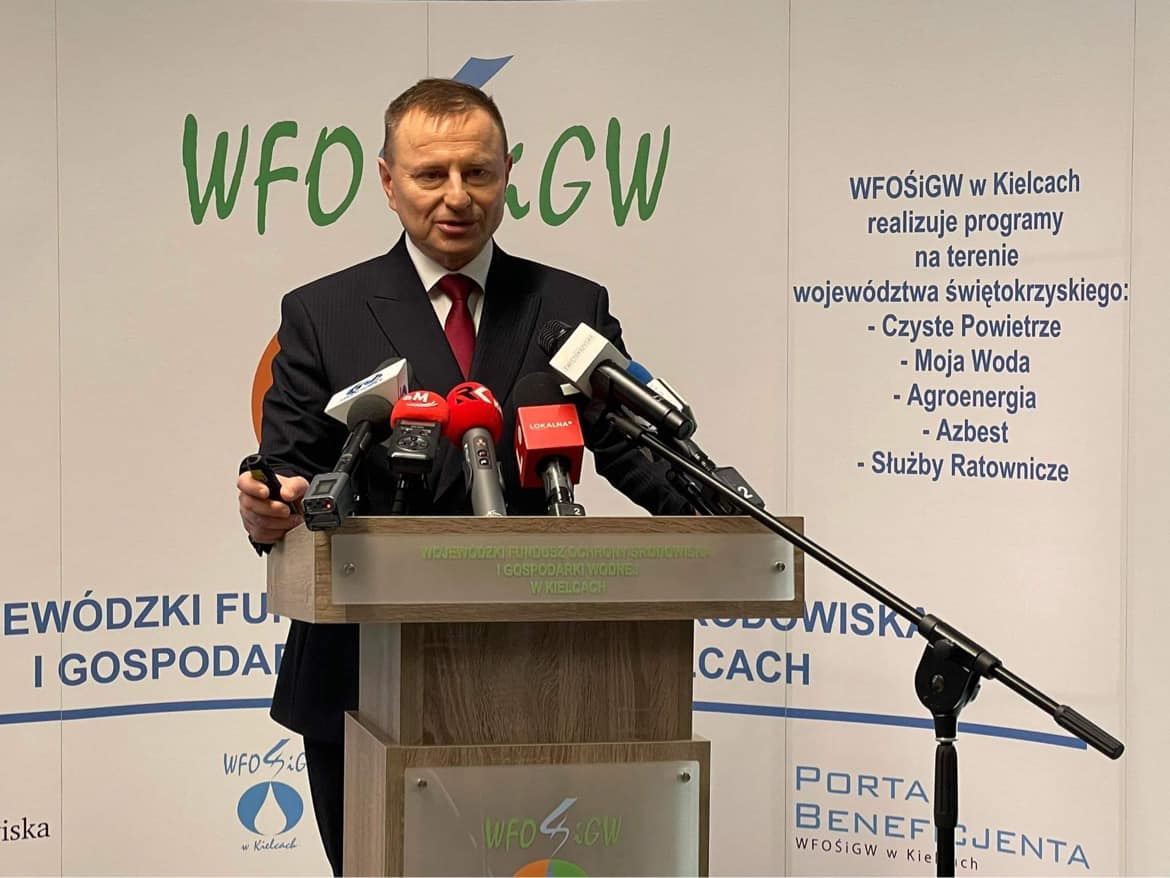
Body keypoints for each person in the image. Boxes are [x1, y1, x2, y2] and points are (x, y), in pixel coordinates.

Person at [236, 78, 689, 876]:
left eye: (478, 172)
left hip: (542, 668)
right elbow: (289, 467)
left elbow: (629, 451)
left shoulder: (568, 304)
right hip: (360, 677)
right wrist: (273, 504)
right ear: (387, 182)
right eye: (430, 174)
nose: (457, 196)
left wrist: (716, 516)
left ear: (508, 173)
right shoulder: (323, 312)